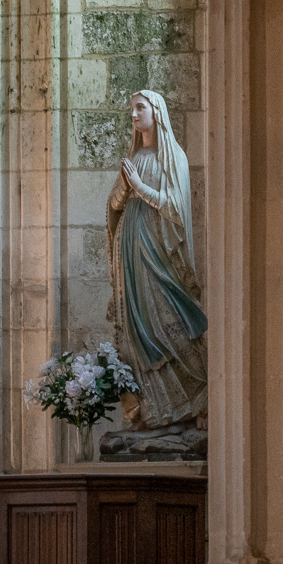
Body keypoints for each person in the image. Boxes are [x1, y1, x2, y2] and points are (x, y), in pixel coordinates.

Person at [106, 89, 208, 432]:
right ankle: (150, 411)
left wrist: (138, 186)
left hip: (158, 250)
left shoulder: (173, 157)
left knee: (167, 323)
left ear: (156, 113)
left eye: (139, 108)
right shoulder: (134, 158)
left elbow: (175, 207)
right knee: (137, 326)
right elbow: (115, 206)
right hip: (131, 251)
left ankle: (188, 402)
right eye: (131, 109)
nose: (133, 115)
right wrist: (123, 190)